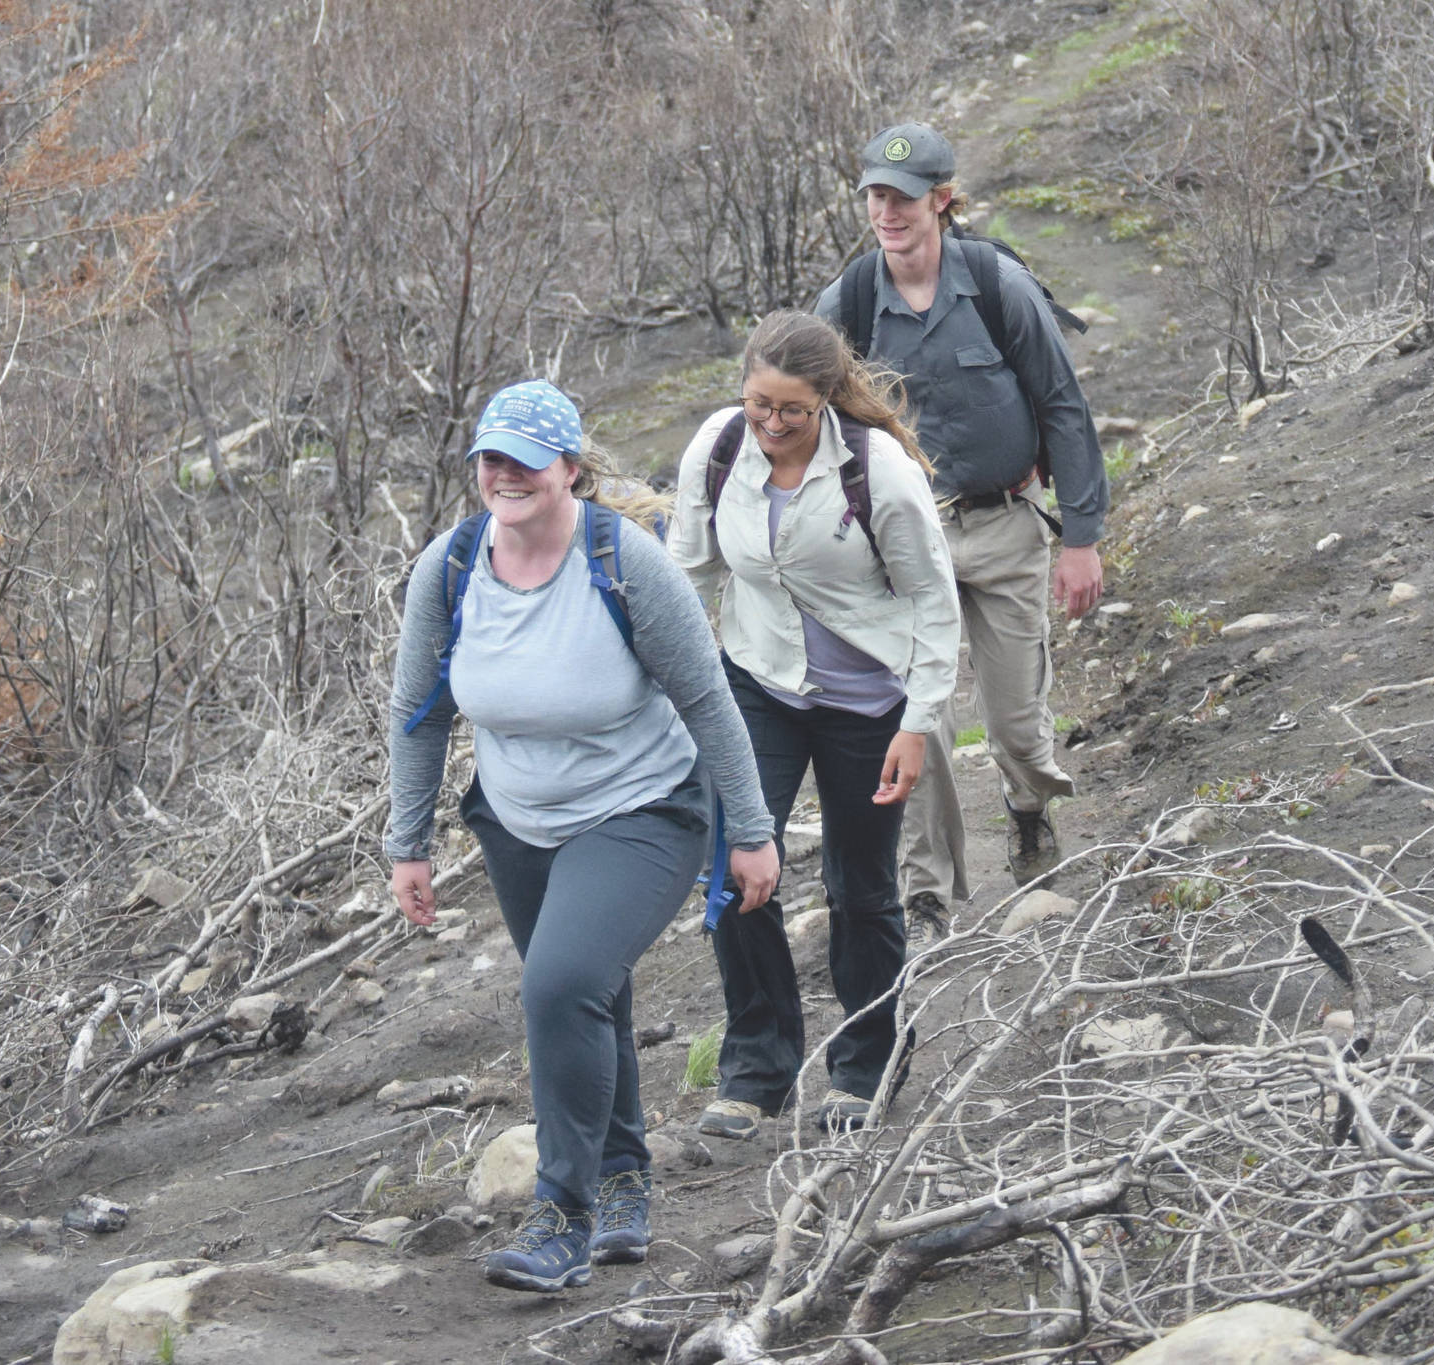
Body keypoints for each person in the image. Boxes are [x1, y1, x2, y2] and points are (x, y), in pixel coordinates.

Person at [386, 380, 780, 1293]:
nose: (505, 475)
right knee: (587, 998)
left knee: (559, 984)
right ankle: (625, 1178)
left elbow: (710, 701)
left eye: (527, 459)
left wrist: (750, 831)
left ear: (570, 468)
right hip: (518, 818)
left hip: (642, 807)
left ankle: (561, 1218)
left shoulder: (623, 560)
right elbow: (419, 713)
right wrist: (409, 842)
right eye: (491, 458)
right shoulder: (449, 570)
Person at [815, 121, 1109, 941]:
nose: (887, 211)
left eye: (904, 197)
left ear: (943, 201)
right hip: (905, 546)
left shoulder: (994, 283)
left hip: (1006, 522)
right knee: (922, 722)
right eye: (875, 195)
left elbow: (1061, 403)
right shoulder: (846, 303)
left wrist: (1080, 536)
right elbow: (802, 420)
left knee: (1017, 715)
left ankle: (1026, 809)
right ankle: (929, 894)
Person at [669, 311, 960, 1137]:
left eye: (791, 410)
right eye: (758, 403)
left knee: (858, 884)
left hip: (868, 700)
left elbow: (936, 607)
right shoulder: (719, 451)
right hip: (757, 680)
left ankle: (865, 1066)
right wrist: (674, 697)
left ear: (827, 399)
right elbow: (685, 574)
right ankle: (756, 1067)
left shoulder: (882, 476)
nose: (770, 424)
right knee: (736, 865)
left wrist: (917, 724)